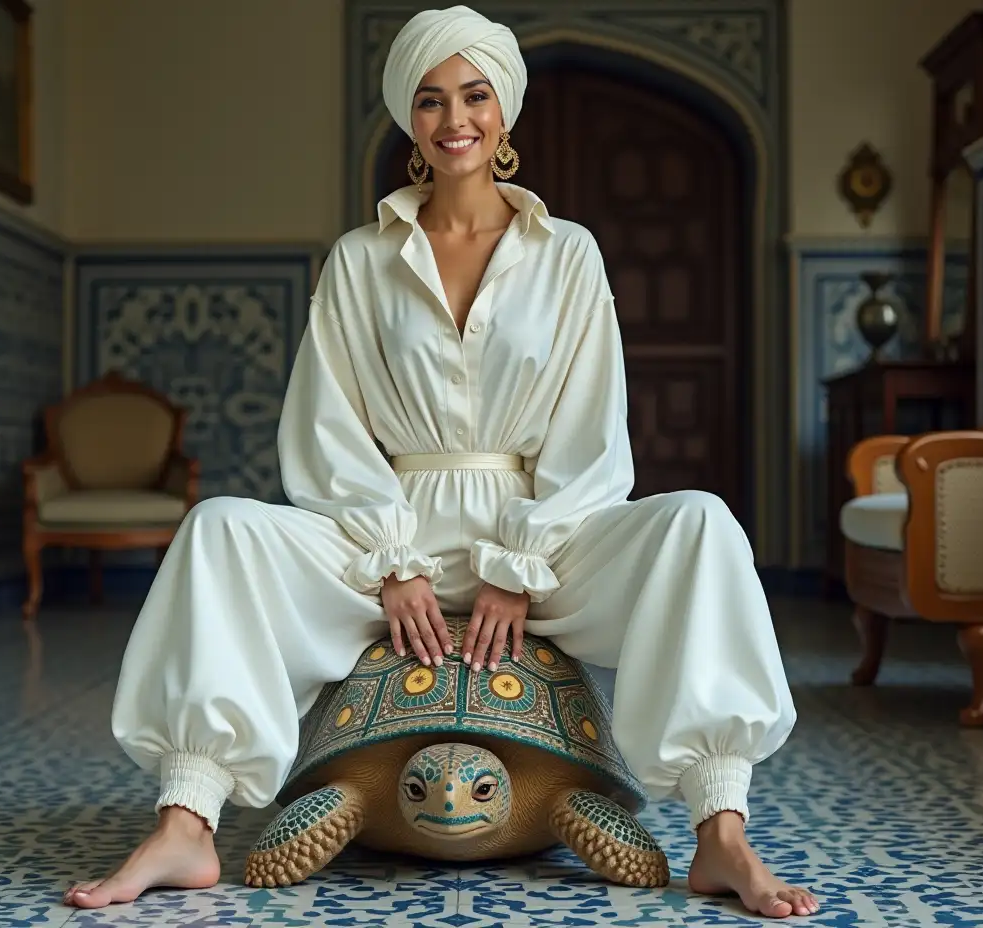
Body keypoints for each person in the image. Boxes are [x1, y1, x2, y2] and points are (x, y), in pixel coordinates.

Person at [64, 5, 818, 919]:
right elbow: (328, 431)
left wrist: (520, 567)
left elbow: (590, 439)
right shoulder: (357, 261)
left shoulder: (568, 255)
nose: (454, 118)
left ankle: (720, 836)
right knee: (220, 527)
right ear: (407, 118)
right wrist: (392, 561)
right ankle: (187, 822)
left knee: (697, 521)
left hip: (546, 534)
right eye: (429, 100)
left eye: (473, 95)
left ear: (504, 109)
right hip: (386, 525)